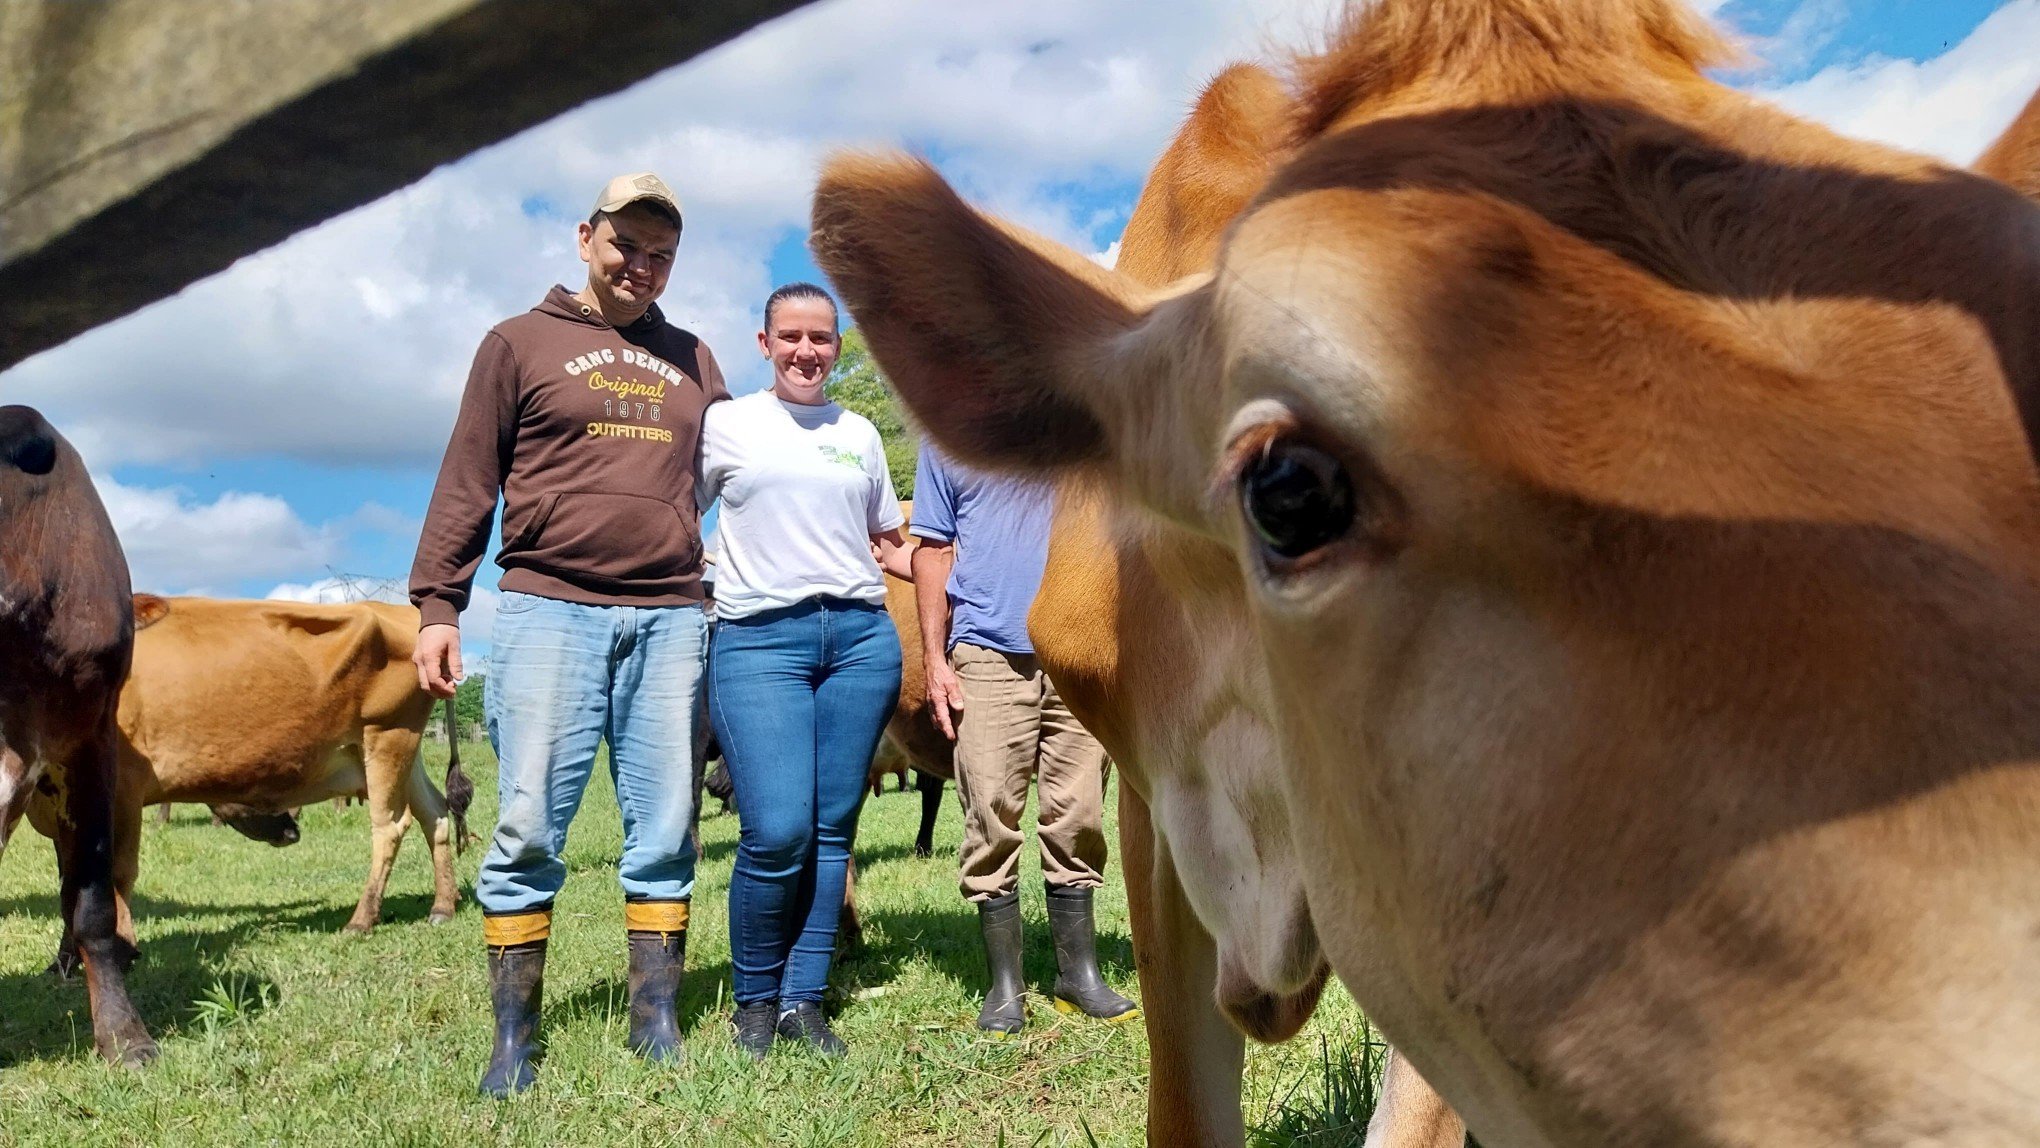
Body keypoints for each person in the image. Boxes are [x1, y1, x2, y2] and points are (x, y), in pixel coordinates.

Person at [409, 173, 726, 1096]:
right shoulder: (517, 343)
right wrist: (438, 604)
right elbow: (468, 476)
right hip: (551, 608)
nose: (642, 266)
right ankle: (514, 1038)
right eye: (627, 245)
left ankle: (656, 1019)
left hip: (671, 615)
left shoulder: (697, 359)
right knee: (525, 826)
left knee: (668, 825)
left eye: (662, 254)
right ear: (587, 237)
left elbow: (741, 470)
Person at [699, 282, 912, 1060]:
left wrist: (967, 576)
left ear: (838, 347)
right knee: (776, 828)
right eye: (790, 336)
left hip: (860, 640)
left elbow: (889, 541)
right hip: (759, 640)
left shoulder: (858, 433)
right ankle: (753, 1004)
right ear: (764, 344)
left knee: (832, 831)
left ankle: (804, 1001)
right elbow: (673, 516)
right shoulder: (728, 424)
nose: (805, 351)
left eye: (821, 338)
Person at [910, 443, 1138, 1035]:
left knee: (1081, 810)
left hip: (1076, 649)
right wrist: (936, 658)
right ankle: (1005, 986)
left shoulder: (1076, 428)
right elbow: (933, 550)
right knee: (990, 808)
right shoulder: (947, 440)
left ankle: (1077, 975)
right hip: (985, 652)